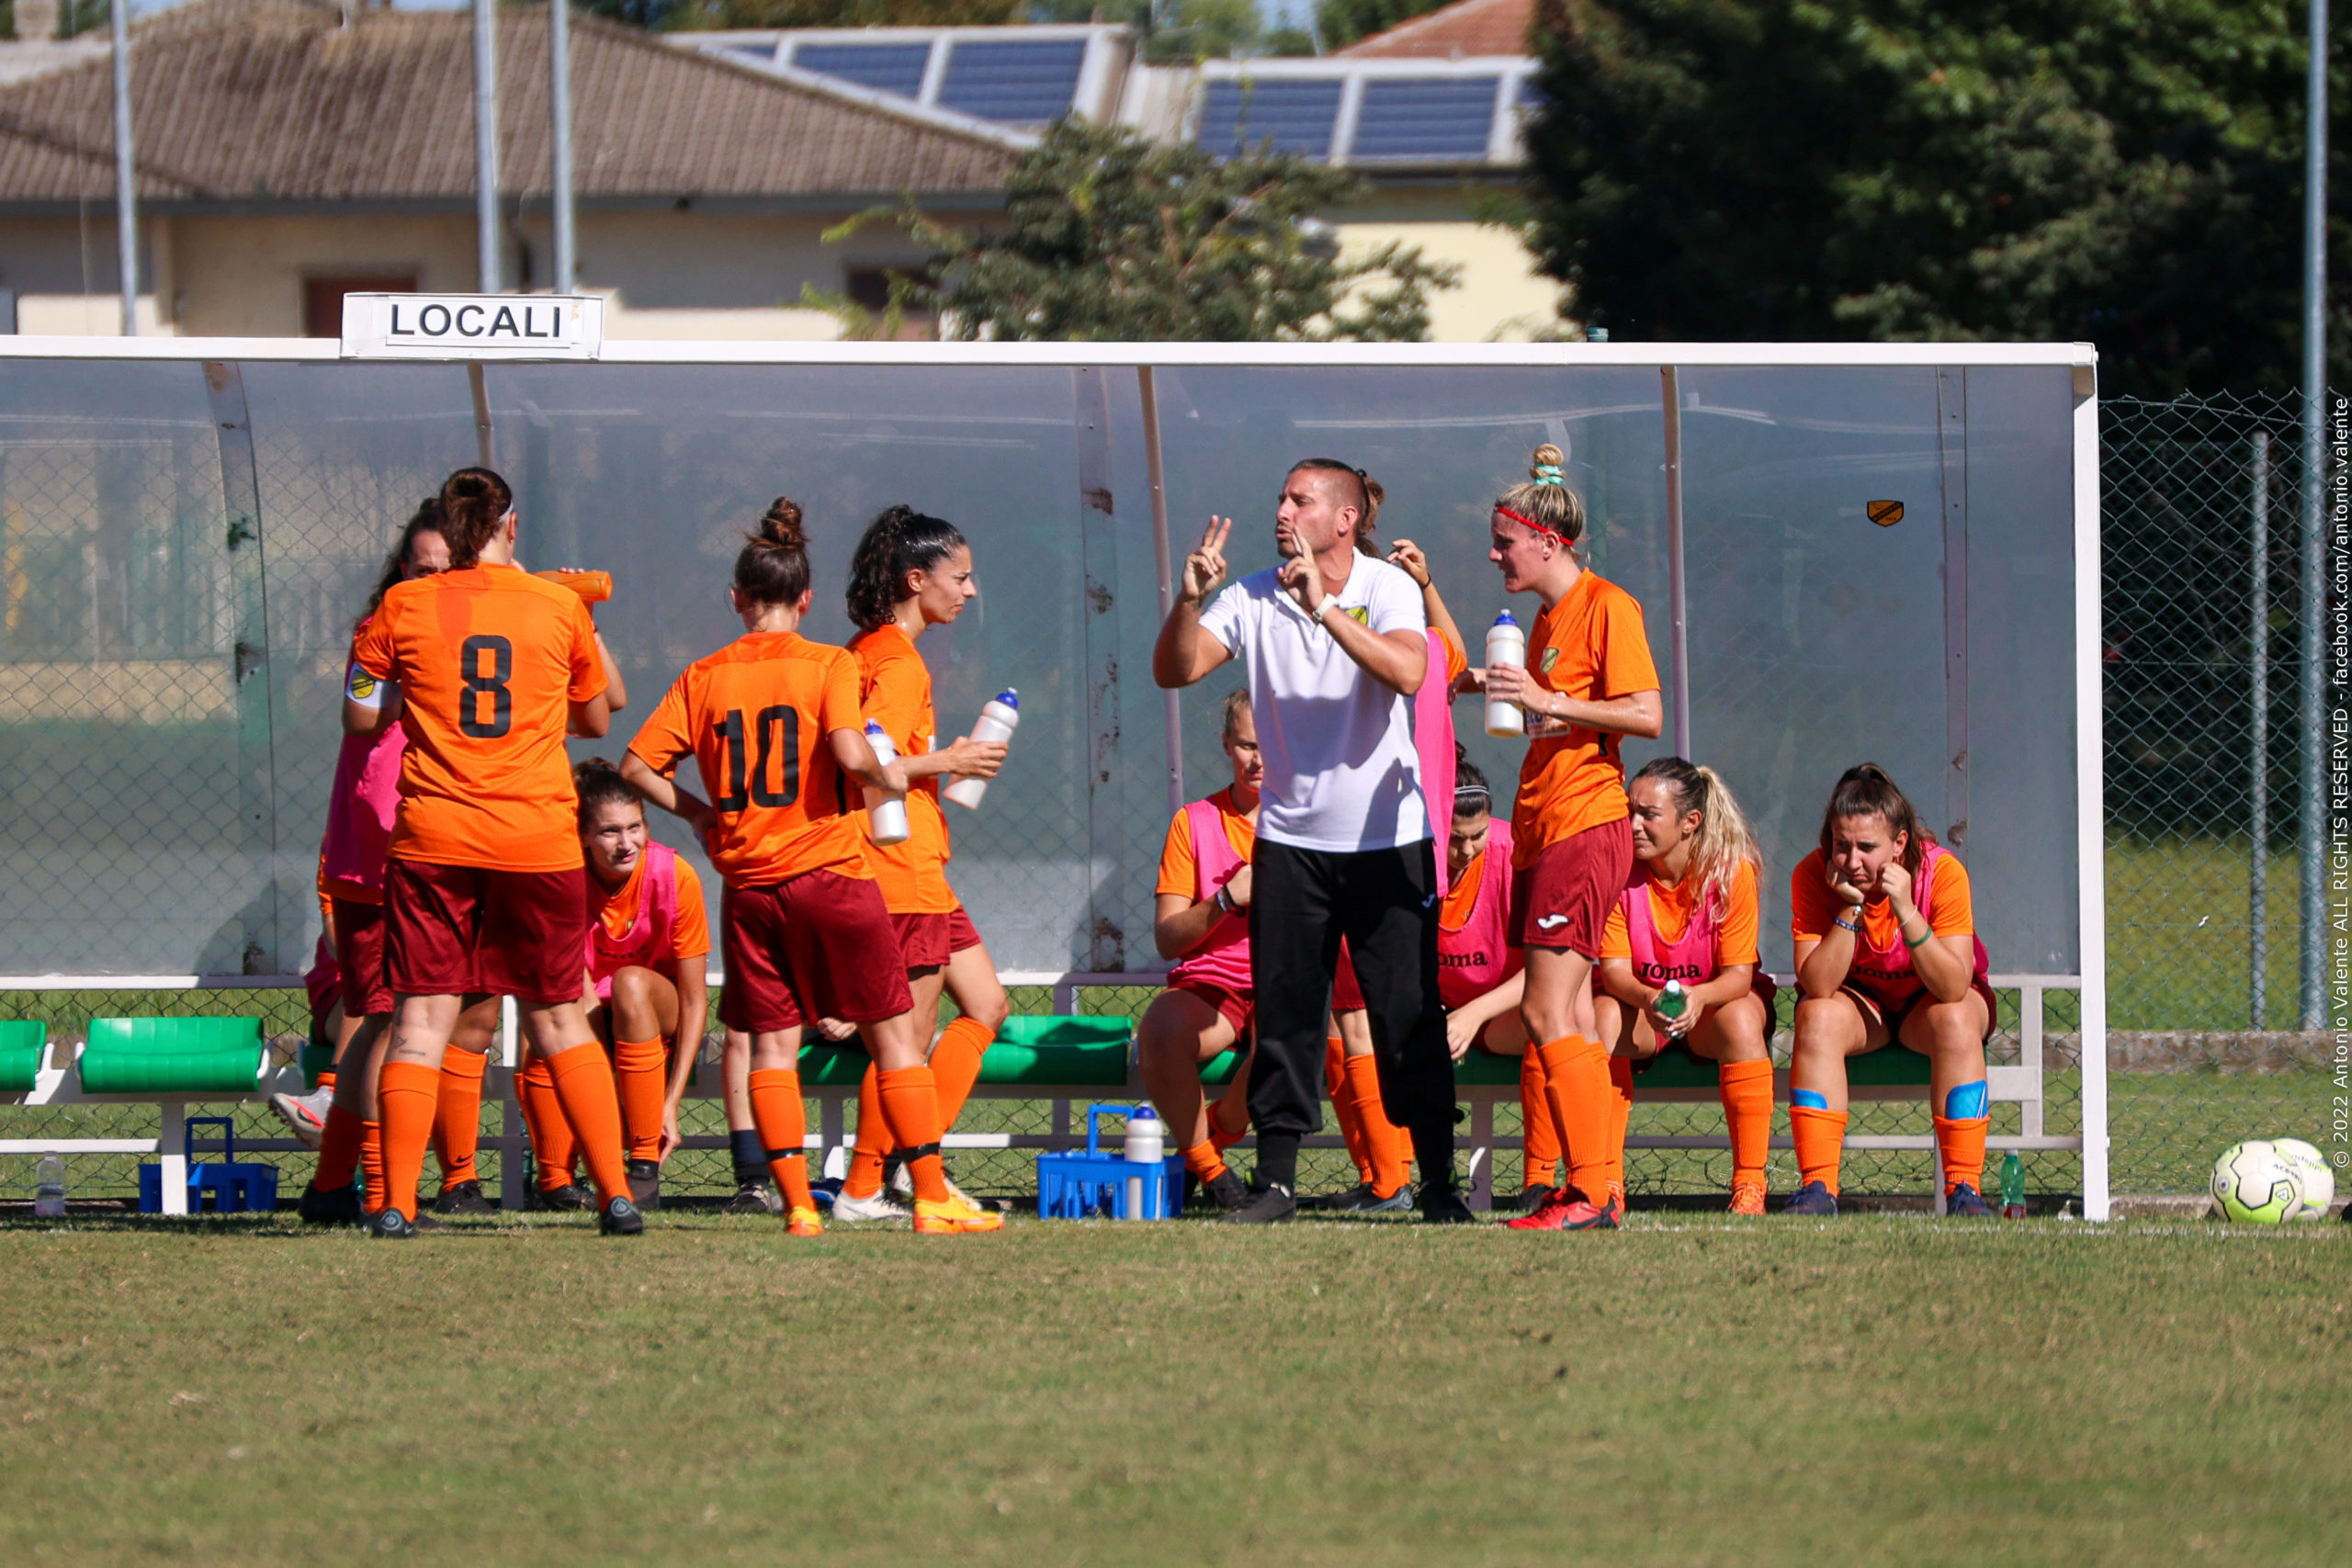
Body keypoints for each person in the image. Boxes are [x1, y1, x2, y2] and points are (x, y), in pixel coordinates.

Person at [620, 497, 1001, 1236]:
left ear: (735, 598)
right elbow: (859, 757)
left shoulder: (703, 675)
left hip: (749, 886)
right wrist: (931, 763)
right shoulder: (834, 662)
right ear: (806, 599)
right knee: (897, 1037)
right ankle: (922, 1192)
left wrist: (700, 813)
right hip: (833, 868)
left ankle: (798, 1205)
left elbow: (636, 764)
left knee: (771, 1045)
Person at [1152, 459, 1470, 1225]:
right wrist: (1190, 600)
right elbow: (1176, 669)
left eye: (1301, 498)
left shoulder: (1385, 585)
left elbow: (1407, 669)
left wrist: (1325, 608)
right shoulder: (1253, 592)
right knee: (1290, 1017)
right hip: (1290, 844)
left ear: (1344, 518)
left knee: (1407, 1017)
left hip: (1386, 841)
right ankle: (1277, 1185)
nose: (1282, 507)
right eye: (1281, 494)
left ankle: (1436, 1182)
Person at [342, 466, 639, 1240]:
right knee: (560, 1019)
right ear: (513, 525)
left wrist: (404, 691)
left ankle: (399, 1204)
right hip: (536, 838)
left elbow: (359, 713)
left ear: (450, 528)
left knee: (420, 1021)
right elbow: (599, 720)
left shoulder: (404, 604)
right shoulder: (556, 604)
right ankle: (616, 1194)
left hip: (435, 838)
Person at [295, 501, 501, 1225]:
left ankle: (333, 1187)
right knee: (390, 1016)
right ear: (400, 570)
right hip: (381, 848)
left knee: (399, 1020)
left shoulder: (477, 633)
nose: (428, 581)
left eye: (444, 570)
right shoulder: (380, 630)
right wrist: (421, 682)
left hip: (440, 841)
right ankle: (383, 1194)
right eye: (417, 568)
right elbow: (358, 713)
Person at [1484, 443, 1665, 1234]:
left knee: (1551, 1011)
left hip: (1586, 823)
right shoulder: (1545, 618)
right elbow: (1550, 709)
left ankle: (1590, 1191)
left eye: (1504, 542)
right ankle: (1592, 1187)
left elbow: (1647, 713)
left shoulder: (1608, 605)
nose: (1495, 555)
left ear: (1548, 542)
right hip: (1546, 826)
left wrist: (1550, 699)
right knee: (1563, 1015)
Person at [831, 505, 1012, 1223]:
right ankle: (868, 1184)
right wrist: (951, 758)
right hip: (899, 868)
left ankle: (912, 1157)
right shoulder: (896, 660)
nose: (968, 592)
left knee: (989, 1003)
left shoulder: (869, 648)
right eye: (959, 577)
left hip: (920, 865)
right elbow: (867, 764)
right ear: (916, 579)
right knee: (906, 1039)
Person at [1316, 525, 1471, 1214]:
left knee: (1370, 1014)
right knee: (1367, 1015)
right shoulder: (1375, 644)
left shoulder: (1408, 650)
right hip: (1361, 848)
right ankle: (1403, 1177)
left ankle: (1402, 1177)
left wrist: (1425, 583)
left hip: (1387, 847)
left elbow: (1457, 658)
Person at [1786, 763, 1997, 1217]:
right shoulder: (1813, 874)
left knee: (1956, 1017)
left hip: (1933, 1003)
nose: (1851, 861)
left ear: (1900, 844)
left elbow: (1952, 985)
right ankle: (1818, 1190)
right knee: (1815, 1016)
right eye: (1841, 846)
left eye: (1867, 847)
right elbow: (1817, 985)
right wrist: (1849, 908)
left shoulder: (1941, 871)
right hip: (1866, 1009)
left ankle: (1965, 1191)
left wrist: (1905, 908)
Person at [1592, 757, 1774, 1215]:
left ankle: (1750, 1186)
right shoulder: (1617, 871)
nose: (1633, 824)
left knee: (1743, 1017)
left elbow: (1738, 977)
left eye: (1648, 814)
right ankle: (1605, 1183)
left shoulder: (1732, 872)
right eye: (1629, 811)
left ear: (1690, 822)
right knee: (1602, 1016)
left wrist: (1699, 998)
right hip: (1642, 1011)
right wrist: (1649, 999)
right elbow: (1613, 972)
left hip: (1707, 1013)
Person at [1136, 690, 1262, 1213]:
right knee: (1162, 1030)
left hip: (1294, 978)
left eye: (1274, 744)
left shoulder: (1313, 819)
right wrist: (1228, 898)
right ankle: (1210, 1170)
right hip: (1216, 985)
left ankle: (1215, 1135)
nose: (1260, 760)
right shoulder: (1195, 821)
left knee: (1294, 1040)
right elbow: (1168, 938)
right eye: (1248, 745)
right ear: (1227, 745)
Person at [572, 757, 710, 1212]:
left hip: (657, 1012)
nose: (625, 843)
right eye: (610, 832)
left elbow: (694, 1000)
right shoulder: (566, 879)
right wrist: (602, 1080)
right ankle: (556, 1180)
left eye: (635, 827)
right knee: (552, 1018)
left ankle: (645, 1160)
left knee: (631, 984)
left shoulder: (676, 875)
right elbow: (579, 987)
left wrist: (672, 1101)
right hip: (594, 1020)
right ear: (585, 836)